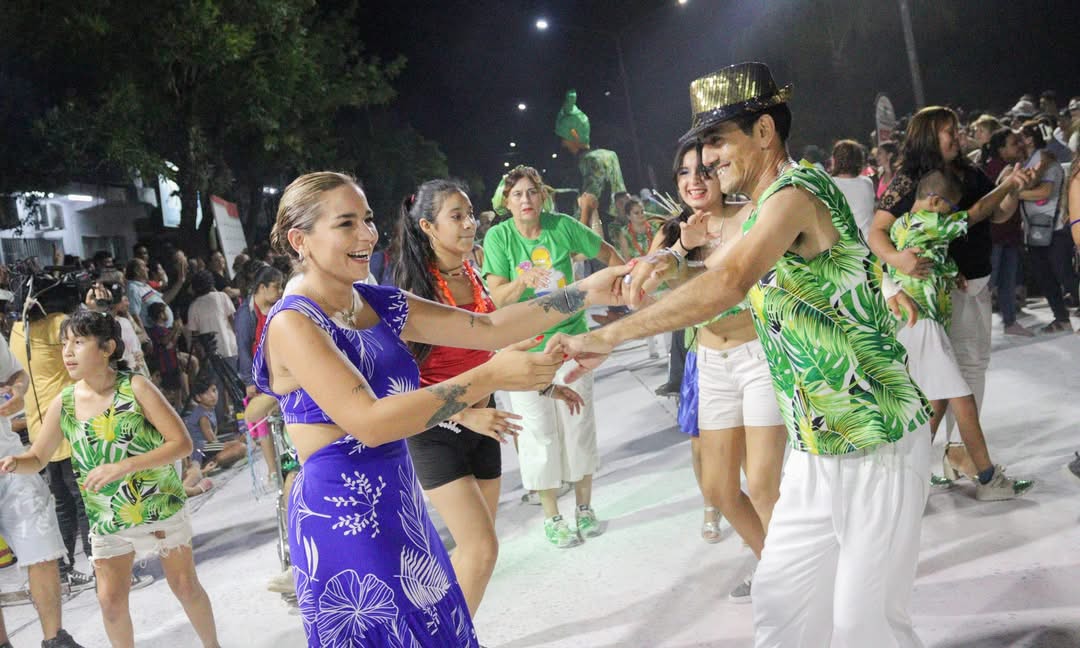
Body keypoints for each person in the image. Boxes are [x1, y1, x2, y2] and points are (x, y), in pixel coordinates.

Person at [551, 62, 933, 646]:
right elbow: (718, 250)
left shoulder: (796, 192)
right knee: (783, 608)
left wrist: (607, 335)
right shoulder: (758, 207)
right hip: (816, 446)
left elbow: (730, 280)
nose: (706, 160)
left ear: (763, 132)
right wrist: (670, 258)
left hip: (873, 439)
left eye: (717, 141)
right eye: (701, 146)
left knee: (867, 628)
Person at [253, 171, 625, 646]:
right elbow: (369, 422)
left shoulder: (376, 302)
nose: (367, 235)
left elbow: (487, 329)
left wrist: (588, 291)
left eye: (367, 220)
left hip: (401, 502)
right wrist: (487, 379)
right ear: (299, 240)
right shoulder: (294, 322)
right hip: (343, 520)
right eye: (346, 224)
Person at [393, 178, 585, 615]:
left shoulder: (474, 275)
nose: (469, 225)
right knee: (481, 550)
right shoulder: (412, 294)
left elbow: (489, 350)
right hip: (437, 430)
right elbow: (399, 380)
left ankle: (442, 631)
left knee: (477, 552)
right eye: (456, 217)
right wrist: (464, 417)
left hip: (488, 421)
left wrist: (544, 382)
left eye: (469, 214)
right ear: (427, 226)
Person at [0, 310, 219, 648]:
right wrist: (16, 462)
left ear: (107, 348)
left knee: (185, 586)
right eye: (64, 344)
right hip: (106, 517)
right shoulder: (66, 402)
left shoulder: (136, 387)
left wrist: (124, 466)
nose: (68, 352)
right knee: (110, 602)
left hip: (156, 505)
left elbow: (182, 444)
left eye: (78, 342)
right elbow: (39, 457)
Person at [650, 137, 787, 600]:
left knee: (764, 485)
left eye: (705, 170)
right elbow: (645, 286)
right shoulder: (671, 234)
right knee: (719, 488)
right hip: (708, 364)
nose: (695, 180)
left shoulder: (750, 216)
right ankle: (777, 564)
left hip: (757, 359)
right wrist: (680, 249)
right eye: (686, 172)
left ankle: (789, 580)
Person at [873, 106, 1025, 465]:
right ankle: (938, 461)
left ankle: (956, 454)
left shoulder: (969, 171)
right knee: (945, 381)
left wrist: (1013, 189)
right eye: (949, 131)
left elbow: (997, 212)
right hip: (936, 292)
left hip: (975, 280)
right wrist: (897, 262)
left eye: (957, 130)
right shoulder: (912, 179)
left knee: (974, 367)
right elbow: (876, 231)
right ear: (928, 136)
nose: (958, 137)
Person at [483, 165, 624, 548]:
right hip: (524, 349)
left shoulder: (562, 226)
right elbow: (495, 297)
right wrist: (521, 282)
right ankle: (552, 517)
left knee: (578, 424)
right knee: (538, 432)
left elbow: (608, 254)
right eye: (517, 195)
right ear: (506, 202)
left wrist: (623, 288)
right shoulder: (499, 237)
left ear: (542, 195)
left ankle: (584, 508)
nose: (526, 200)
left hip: (572, 343)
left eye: (532, 192)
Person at [889, 169, 1035, 499]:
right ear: (933, 201)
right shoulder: (929, 221)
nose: (952, 215)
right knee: (962, 398)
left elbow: (925, 257)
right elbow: (976, 214)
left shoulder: (900, 226)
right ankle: (987, 478)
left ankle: (905, 480)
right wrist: (1007, 185)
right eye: (949, 209)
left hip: (919, 322)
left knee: (935, 400)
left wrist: (951, 272)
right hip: (923, 321)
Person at [9, 280, 95, 593]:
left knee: (61, 503)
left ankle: (64, 569)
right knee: (85, 501)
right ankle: (100, 566)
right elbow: (87, 354)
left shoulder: (18, 330)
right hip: (68, 424)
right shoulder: (59, 325)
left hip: (39, 430)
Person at [0, 334, 84, 648]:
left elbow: (15, 374)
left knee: (43, 549)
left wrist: (18, 392)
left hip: (9, 461)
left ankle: (55, 639)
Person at [1017, 120, 1072, 332]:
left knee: (1064, 276)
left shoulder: (1045, 160)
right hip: (1037, 230)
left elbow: (1045, 192)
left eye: (1020, 137)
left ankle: (1063, 316)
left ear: (1030, 139)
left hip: (1054, 229)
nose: (1018, 141)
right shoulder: (1031, 161)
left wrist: (1014, 192)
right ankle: (1061, 319)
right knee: (1045, 276)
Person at [555, 90, 628, 244]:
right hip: (621, 226)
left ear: (574, 134)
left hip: (601, 230)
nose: (563, 143)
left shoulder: (589, 160)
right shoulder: (609, 154)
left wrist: (577, 230)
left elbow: (589, 197)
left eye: (563, 138)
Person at [981, 128, 1034, 336]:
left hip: (1009, 233)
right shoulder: (995, 168)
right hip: (994, 234)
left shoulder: (1007, 167)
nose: (1018, 145)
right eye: (1013, 143)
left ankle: (1010, 322)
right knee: (987, 285)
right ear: (1001, 149)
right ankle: (979, 330)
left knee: (1007, 282)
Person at [234, 265, 284, 479]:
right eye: (276, 287)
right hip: (258, 375)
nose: (280, 291)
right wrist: (248, 381)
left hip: (280, 369)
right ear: (262, 288)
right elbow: (243, 348)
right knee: (262, 421)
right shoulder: (245, 314)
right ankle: (273, 470)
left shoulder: (278, 306)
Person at [183, 379, 245, 473]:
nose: (212, 395)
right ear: (198, 398)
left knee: (239, 444)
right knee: (241, 447)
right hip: (199, 450)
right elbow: (213, 443)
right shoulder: (203, 416)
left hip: (206, 447)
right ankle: (207, 465)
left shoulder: (208, 409)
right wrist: (234, 442)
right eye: (207, 393)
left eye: (214, 390)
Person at [830, 139, 876, 239]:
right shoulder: (867, 183)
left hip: (844, 249)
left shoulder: (828, 184)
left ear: (834, 160)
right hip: (868, 245)